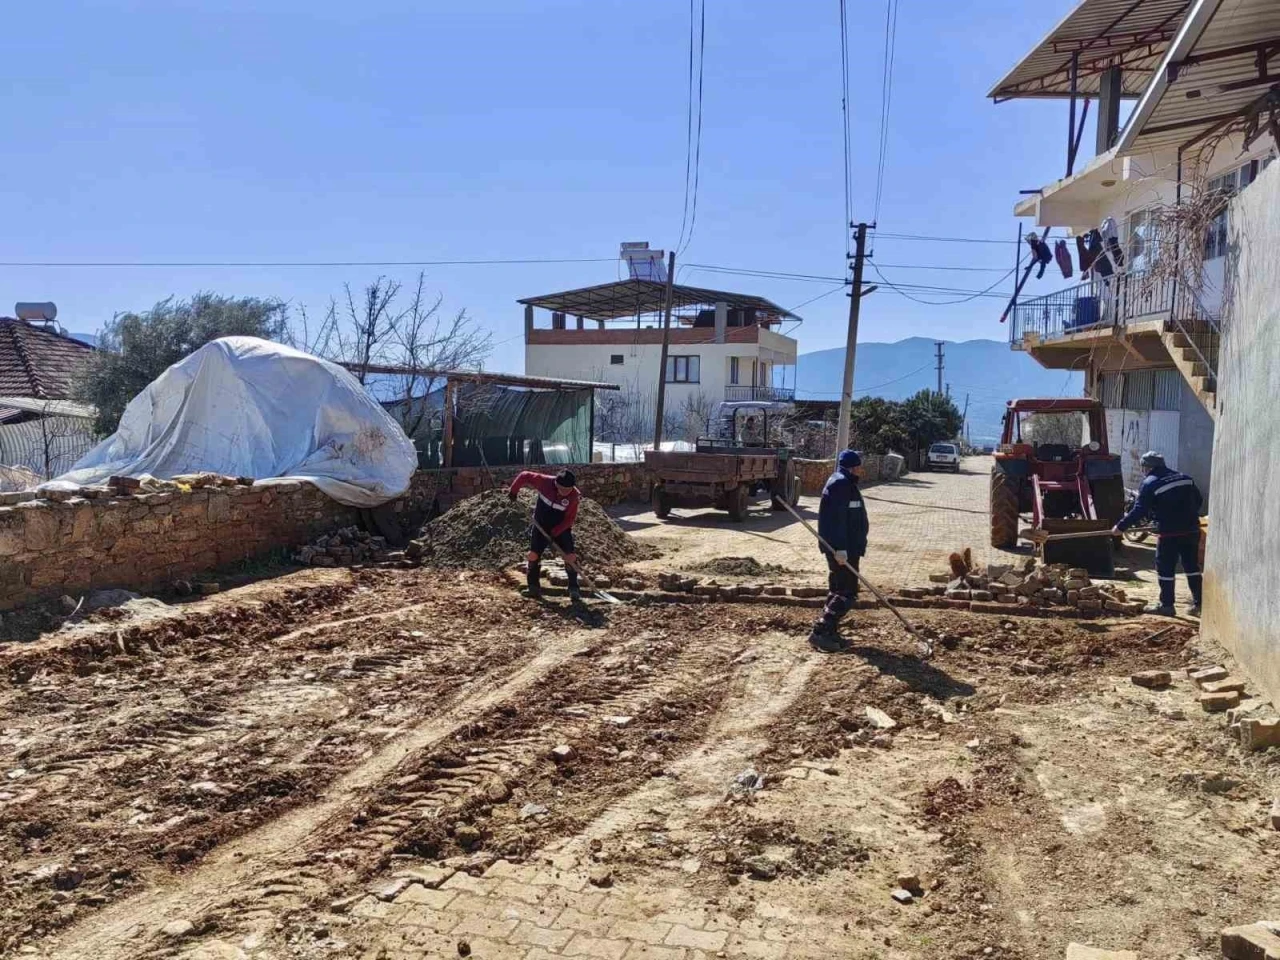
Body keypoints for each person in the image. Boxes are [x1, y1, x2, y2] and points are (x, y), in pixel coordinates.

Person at [1112, 451, 1203, 616]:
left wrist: (1120, 527)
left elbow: (1139, 510)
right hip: (1191, 530)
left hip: (1170, 533)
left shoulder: (1150, 483)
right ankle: (1199, 605)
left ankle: (1166, 606)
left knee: (1165, 568)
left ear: (1146, 467)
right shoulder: (1185, 478)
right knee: (1192, 566)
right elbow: (1198, 500)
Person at [810, 449, 869, 652]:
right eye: (859, 466)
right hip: (843, 550)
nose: (861, 469)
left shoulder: (844, 482)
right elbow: (834, 521)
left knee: (838, 589)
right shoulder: (840, 484)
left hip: (847, 548)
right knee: (847, 592)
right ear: (853, 467)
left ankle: (829, 630)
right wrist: (840, 549)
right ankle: (821, 631)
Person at [508, 468, 581, 601]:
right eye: (562, 489)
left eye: (568, 489)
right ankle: (533, 587)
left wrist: (556, 532)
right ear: (556, 484)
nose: (565, 492)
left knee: (570, 556)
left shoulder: (574, 496)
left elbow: (570, 519)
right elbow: (524, 476)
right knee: (533, 555)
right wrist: (514, 490)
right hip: (540, 526)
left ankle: (574, 589)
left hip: (561, 528)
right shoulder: (545, 482)